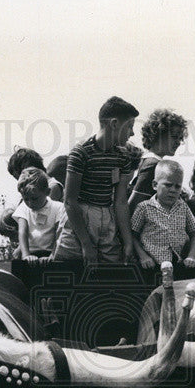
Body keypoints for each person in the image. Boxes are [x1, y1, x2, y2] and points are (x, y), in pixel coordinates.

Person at [52, 96, 139, 264]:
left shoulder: (123, 157)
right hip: (80, 219)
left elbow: (120, 201)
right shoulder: (81, 153)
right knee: (71, 267)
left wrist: (128, 241)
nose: (133, 133)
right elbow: (70, 201)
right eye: (129, 126)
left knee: (110, 269)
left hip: (106, 217)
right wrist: (86, 244)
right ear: (114, 124)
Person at [130, 159, 195, 268]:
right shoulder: (144, 207)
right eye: (168, 185)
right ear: (154, 185)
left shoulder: (183, 207)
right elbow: (132, 235)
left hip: (177, 265)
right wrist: (143, 256)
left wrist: (191, 256)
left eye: (177, 186)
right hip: (151, 266)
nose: (173, 190)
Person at [127, 108, 188, 213]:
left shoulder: (145, 160)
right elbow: (134, 205)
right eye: (174, 137)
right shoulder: (153, 164)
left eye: (180, 138)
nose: (178, 142)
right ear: (158, 134)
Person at [12, 167, 65, 260]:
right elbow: (22, 232)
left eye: (34, 199)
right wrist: (26, 255)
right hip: (30, 253)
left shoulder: (58, 208)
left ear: (47, 192)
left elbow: (59, 233)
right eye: (26, 199)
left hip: (51, 253)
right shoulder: (23, 207)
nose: (30, 203)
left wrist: (53, 255)